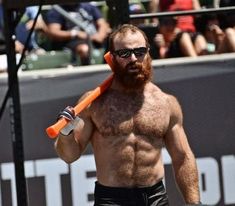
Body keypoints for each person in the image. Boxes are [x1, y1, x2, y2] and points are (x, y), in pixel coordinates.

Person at [55, 24, 202, 205]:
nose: (133, 58)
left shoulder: (166, 103)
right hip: (111, 200)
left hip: (154, 198)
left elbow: (182, 157)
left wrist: (194, 203)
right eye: (124, 53)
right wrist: (65, 133)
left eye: (139, 51)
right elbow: (69, 155)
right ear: (112, 58)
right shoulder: (94, 103)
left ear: (148, 53)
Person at [46, 3, 111, 65]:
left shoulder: (89, 7)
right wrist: (75, 33)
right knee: (84, 49)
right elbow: (53, 32)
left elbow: (102, 23)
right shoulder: (56, 10)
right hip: (73, 41)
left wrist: (100, 35)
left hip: (95, 38)